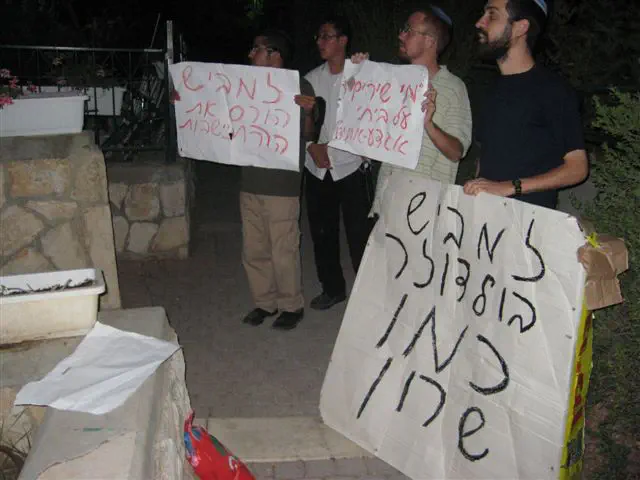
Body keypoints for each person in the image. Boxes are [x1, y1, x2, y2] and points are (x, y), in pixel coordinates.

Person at [463, 0, 588, 208]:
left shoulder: (552, 90)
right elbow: (486, 157)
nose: (479, 23)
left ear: (521, 28)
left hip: (527, 221)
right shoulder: (492, 89)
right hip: (486, 217)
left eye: (492, 15)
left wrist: (510, 187)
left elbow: (578, 168)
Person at [298, 16, 375, 311]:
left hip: (351, 165)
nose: (320, 42)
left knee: (360, 234)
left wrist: (366, 70)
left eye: (327, 36)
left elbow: (374, 116)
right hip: (317, 167)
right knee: (322, 232)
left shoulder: (362, 74)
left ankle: (367, 297)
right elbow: (295, 122)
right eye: (318, 36)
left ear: (343, 40)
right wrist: (310, 147)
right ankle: (332, 288)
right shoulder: (310, 79)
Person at [240, 30, 316, 330]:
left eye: (256, 49)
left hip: (282, 185)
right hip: (250, 180)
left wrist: (308, 112)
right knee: (254, 249)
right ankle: (264, 302)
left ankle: (291, 305)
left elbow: (309, 134)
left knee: (283, 249)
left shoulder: (298, 86)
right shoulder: (244, 86)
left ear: (275, 55)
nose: (251, 54)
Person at [368, 5, 472, 215]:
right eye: (403, 29)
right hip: (387, 199)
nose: (401, 35)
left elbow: (456, 152)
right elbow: (371, 138)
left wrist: (429, 125)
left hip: (422, 210)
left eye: (409, 30)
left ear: (430, 41)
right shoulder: (394, 82)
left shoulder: (453, 88)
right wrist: (358, 75)